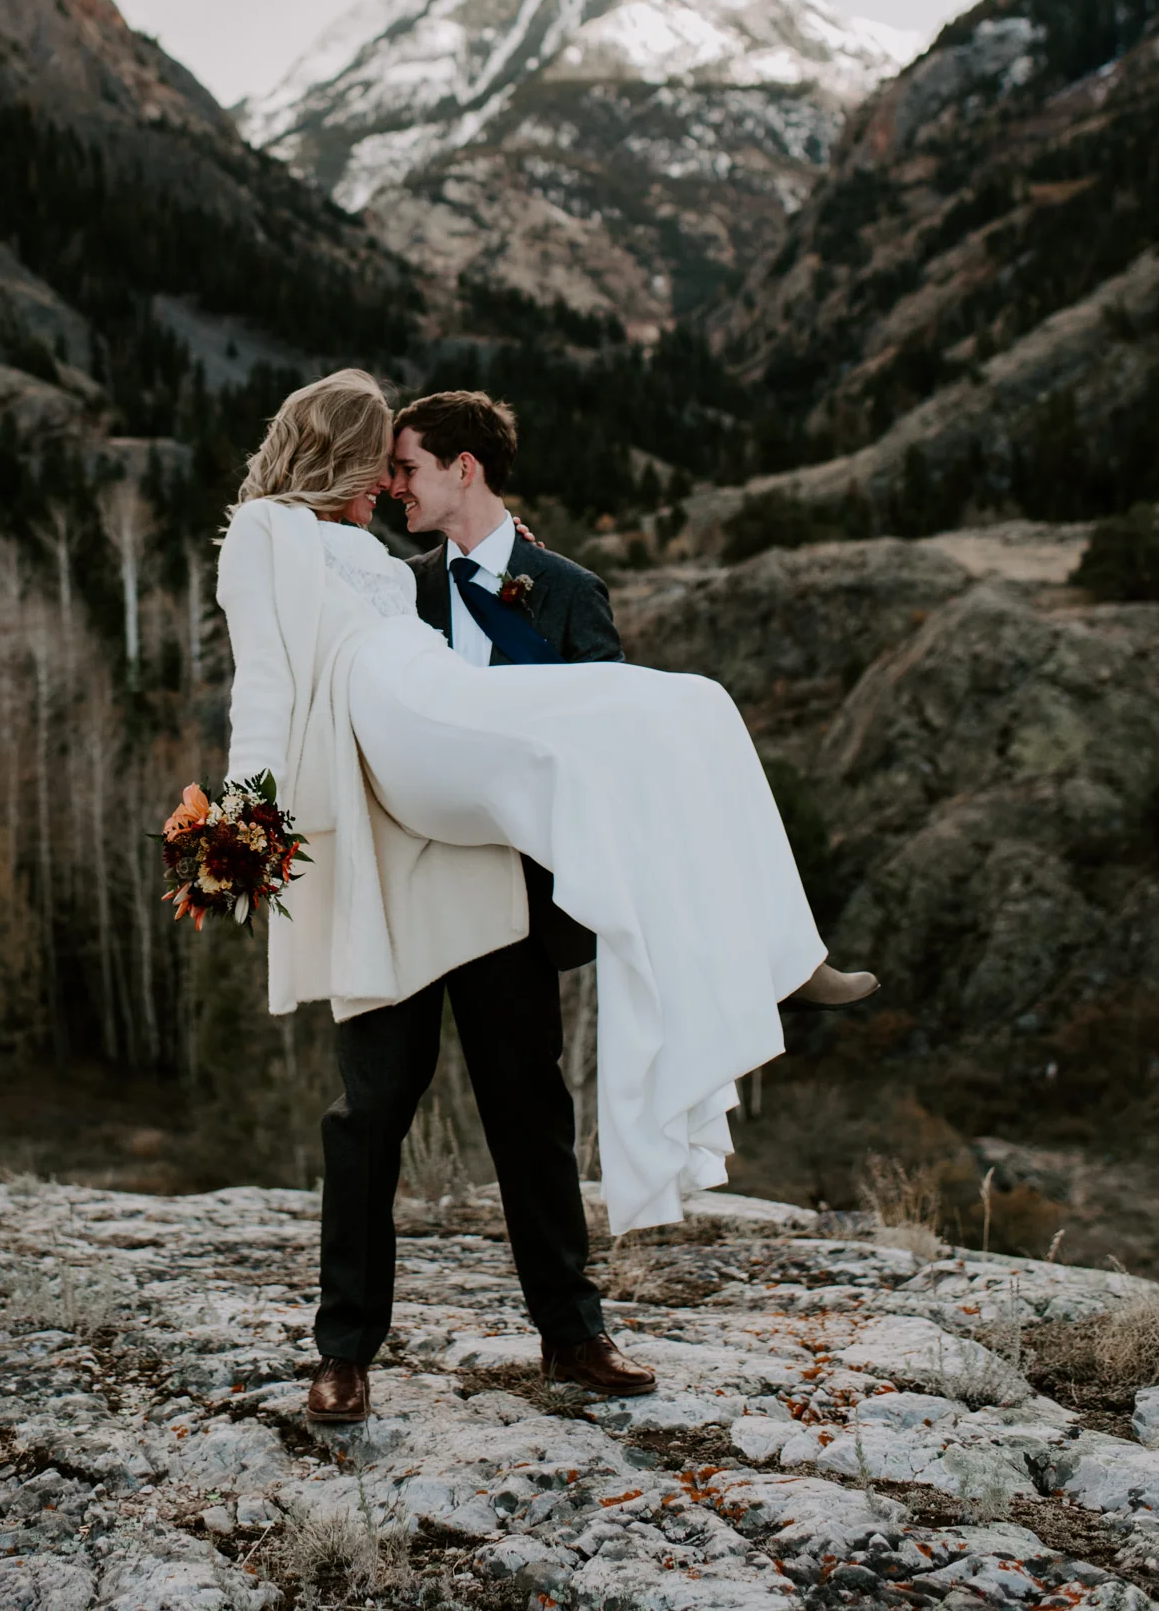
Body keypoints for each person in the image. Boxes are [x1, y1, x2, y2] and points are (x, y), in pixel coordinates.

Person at [214, 370, 875, 1428]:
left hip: (493, 880)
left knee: (530, 1111)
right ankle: (343, 1353)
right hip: (387, 874)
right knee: (370, 1116)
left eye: (408, 464)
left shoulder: (551, 584)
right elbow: (270, 686)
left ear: (458, 468)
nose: (392, 484)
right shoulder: (352, 559)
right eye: (380, 463)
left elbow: (586, 732)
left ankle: (573, 1335)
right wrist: (246, 820)